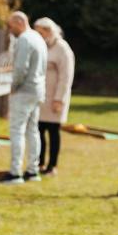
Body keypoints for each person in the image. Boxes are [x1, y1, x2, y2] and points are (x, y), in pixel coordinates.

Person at [0, 11, 48, 185]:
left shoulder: (25, 39)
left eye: (11, 25)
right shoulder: (38, 38)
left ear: (19, 22)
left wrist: (13, 87)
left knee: (17, 131)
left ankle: (15, 173)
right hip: (37, 90)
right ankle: (32, 171)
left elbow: (20, 68)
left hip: (24, 90)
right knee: (32, 131)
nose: (10, 30)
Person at [34, 17, 75, 176]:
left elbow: (66, 76)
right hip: (40, 97)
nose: (39, 35)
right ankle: (39, 163)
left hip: (55, 97)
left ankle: (52, 166)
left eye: (41, 32)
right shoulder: (41, 46)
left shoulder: (62, 48)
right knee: (38, 130)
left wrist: (59, 99)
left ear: (49, 31)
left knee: (53, 131)